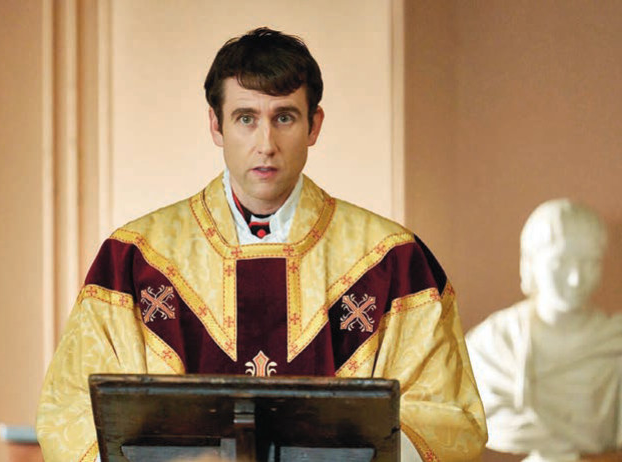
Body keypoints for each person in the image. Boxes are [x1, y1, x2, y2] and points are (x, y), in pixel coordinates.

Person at [37, 27, 487, 462]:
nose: (266, 144)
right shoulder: (134, 260)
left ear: (314, 125)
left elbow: (445, 419)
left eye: (284, 117)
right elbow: (72, 415)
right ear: (216, 125)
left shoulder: (393, 262)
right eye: (246, 118)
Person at [466, 199, 622, 462]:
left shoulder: (615, 345)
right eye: (560, 262)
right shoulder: (491, 348)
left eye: (590, 263)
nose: (575, 279)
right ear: (530, 263)